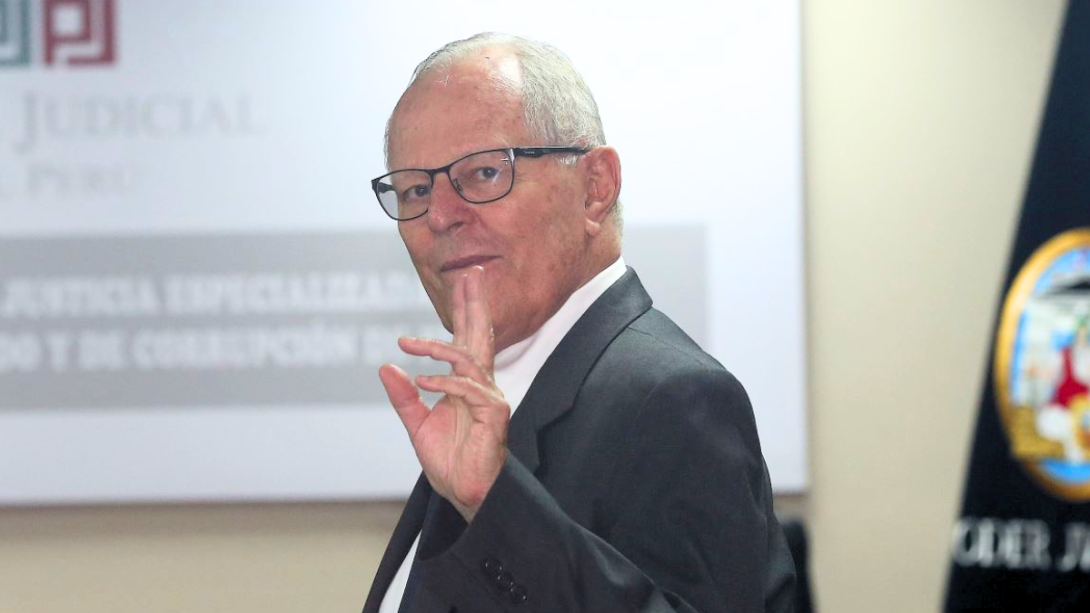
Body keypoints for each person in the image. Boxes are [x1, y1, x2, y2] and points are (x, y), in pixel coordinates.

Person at [362, 33, 795, 613]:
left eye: (485, 173)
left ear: (595, 188)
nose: (439, 215)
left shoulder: (671, 399)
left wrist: (496, 503)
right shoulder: (495, 390)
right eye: (416, 189)